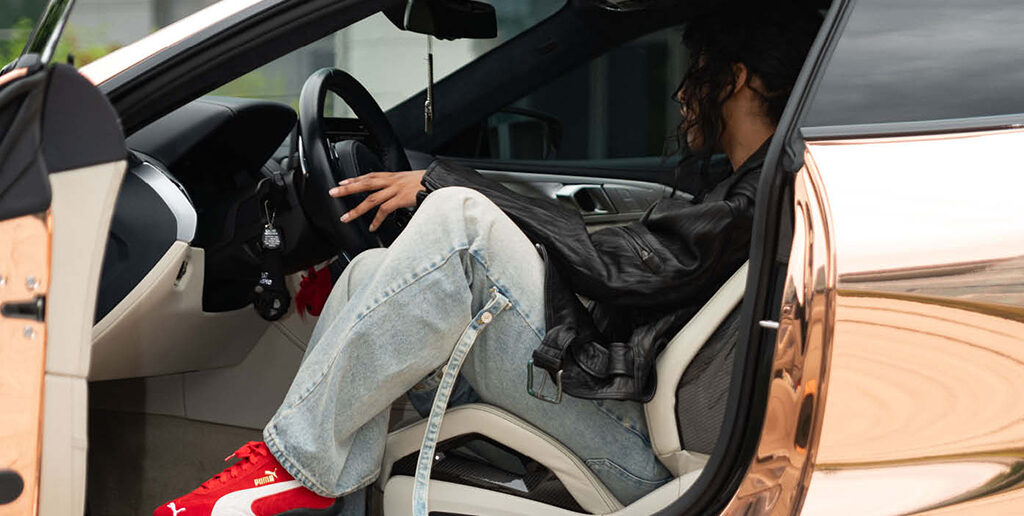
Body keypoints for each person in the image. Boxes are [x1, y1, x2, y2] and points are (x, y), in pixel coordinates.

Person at [154, 4, 821, 515]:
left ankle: (289, 468)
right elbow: (635, 269)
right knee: (368, 275)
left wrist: (445, 183)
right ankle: (306, 490)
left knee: (460, 224)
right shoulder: (746, 187)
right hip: (622, 402)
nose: (681, 94)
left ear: (735, 78)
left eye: (696, 70)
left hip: (632, 445)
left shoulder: (755, 198)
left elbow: (627, 268)